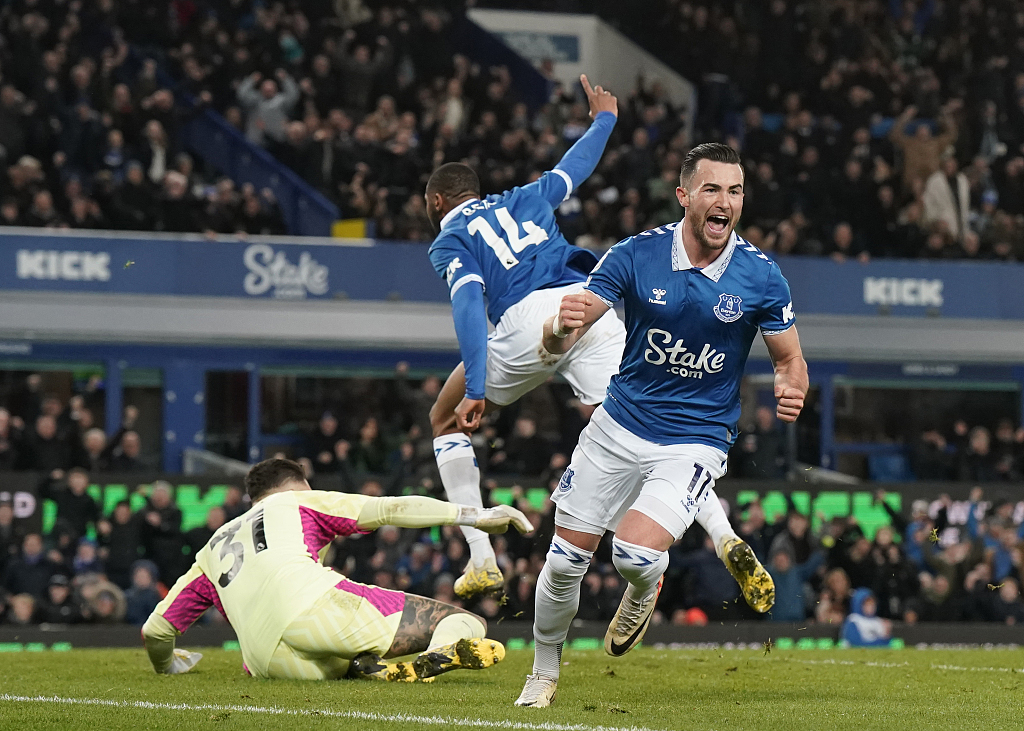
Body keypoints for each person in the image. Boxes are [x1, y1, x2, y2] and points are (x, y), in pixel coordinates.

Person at [515, 143, 808, 707]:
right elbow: (572, 328)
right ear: (684, 196)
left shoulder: (761, 277)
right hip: (618, 425)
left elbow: (789, 358)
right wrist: (556, 330)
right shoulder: (634, 255)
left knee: (634, 555)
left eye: (736, 191)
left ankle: (646, 586)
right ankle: (544, 671)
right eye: (713, 189)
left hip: (695, 442)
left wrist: (793, 383)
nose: (726, 201)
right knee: (562, 564)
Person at [424, 75, 625, 599]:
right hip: (589, 304)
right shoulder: (524, 197)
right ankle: (720, 534)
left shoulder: (451, 238)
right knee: (640, 421)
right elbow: (573, 170)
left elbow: (469, 302)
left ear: (438, 200)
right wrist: (605, 120)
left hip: (527, 319)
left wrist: (474, 386)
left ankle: (481, 556)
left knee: (443, 418)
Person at [141, 458, 532, 681]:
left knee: (350, 660)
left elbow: (156, 630)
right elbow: (391, 508)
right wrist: (477, 516)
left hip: (264, 663)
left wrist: (169, 666)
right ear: (295, 484)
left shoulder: (212, 547)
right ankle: (437, 655)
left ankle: (368, 670)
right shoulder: (298, 502)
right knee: (467, 623)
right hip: (316, 609)